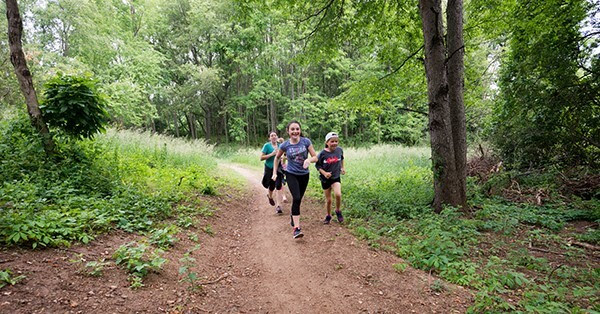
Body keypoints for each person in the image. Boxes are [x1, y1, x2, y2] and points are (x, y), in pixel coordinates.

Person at [272, 120, 318, 239]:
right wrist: (274, 173)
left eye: (297, 129)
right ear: (288, 131)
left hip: (304, 175)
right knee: (296, 198)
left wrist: (309, 160)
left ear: (300, 130)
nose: (295, 131)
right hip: (291, 174)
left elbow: (315, 157)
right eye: (292, 129)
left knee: (299, 200)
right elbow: (277, 158)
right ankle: (296, 229)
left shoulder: (306, 142)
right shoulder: (285, 145)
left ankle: (293, 216)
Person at [315, 132, 345, 224]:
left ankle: (338, 211)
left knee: (338, 194)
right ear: (327, 142)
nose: (334, 143)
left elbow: (342, 158)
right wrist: (324, 173)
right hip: (325, 179)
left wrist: (342, 168)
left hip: (336, 177)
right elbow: (317, 166)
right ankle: (328, 216)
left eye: (336, 141)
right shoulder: (322, 154)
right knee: (328, 200)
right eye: (332, 141)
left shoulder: (339, 150)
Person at [260, 131, 284, 214]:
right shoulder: (267, 146)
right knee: (271, 185)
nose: (273, 137)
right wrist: (272, 154)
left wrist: (282, 158)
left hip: (278, 168)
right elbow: (261, 158)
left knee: (278, 185)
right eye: (271, 135)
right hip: (269, 167)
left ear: (277, 137)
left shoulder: (280, 146)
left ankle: (278, 206)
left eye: (275, 135)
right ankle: (270, 196)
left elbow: (284, 155)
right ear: (269, 138)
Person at [277, 137, 289, 204]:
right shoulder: (276, 150)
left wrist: (284, 158)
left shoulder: (285, 150)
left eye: (280, 142)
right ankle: (283, 196)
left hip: (285, 168)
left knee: (284, 182)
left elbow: (287, 158)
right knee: (281, 182)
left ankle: (284, 195)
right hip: (279, 168)